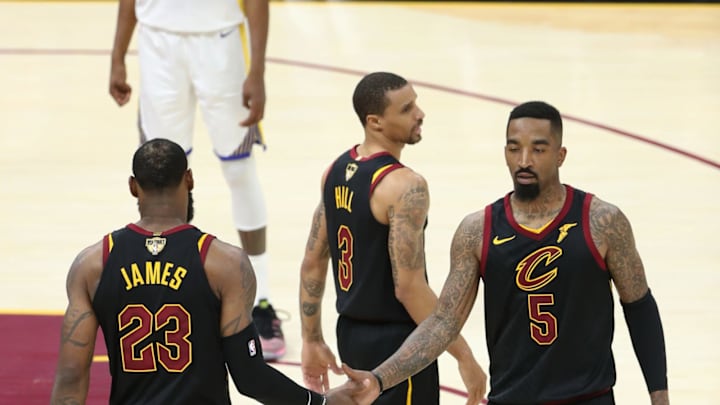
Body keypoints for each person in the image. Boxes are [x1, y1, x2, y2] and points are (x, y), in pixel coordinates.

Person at [344, 101, 670, 405]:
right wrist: (380, 379)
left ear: (560, 154)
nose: (524, 160)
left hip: (589, 398)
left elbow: (639, 308)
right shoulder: (478, 230)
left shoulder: (602, 221)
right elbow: (442, 323)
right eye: (514, 148)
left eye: (538, 149)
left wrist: (660, 397)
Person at [50, 139, 359, 404]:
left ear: (133, 186)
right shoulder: (223, 263)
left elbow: (71, 375)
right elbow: (249, 376)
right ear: (189, 180)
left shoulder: (93, 264)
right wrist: (318, 402)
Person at [108, 0, 285, 360]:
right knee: (162, 176)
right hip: (158, 44)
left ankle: (261, 299)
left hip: (219, 44)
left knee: (239, 168)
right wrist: (117, 56)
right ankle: (170, 290)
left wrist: (258, 71)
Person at [299, 72, 487, 404]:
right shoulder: (404, 185)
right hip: (400, 345)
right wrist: (463, 355)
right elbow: (409, 288)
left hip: (351, 335)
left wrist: (311, 338)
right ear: (375, 122)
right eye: (407, 108)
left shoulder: (335, 171)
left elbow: (314, 262)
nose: (420, 114)